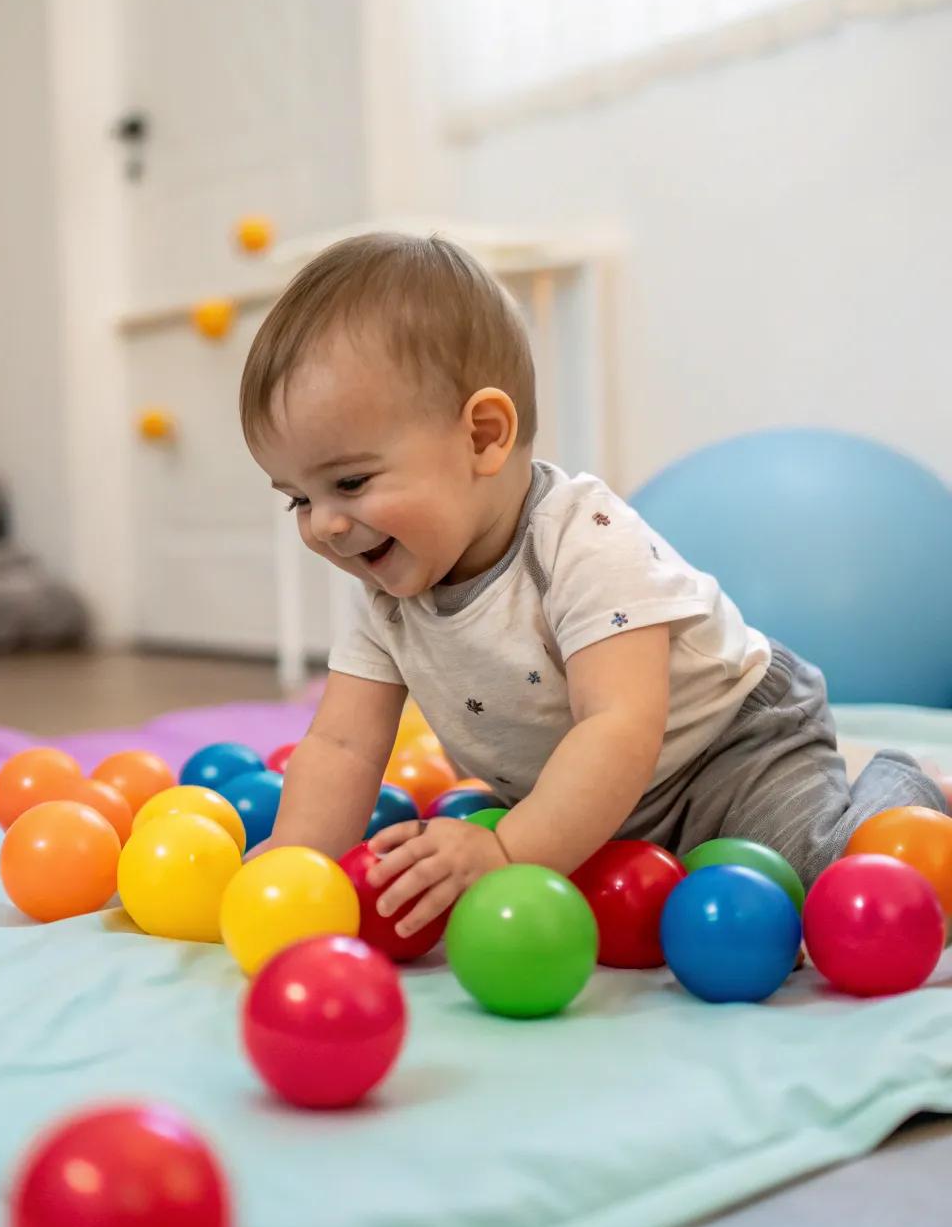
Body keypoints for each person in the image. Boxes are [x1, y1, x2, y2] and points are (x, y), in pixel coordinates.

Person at [239, 232, 946, 940]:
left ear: (484, 436)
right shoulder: (388, 597)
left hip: (730, 753)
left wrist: (508, 850)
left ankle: (902, 787)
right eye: (298, 499)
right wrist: (298, 861)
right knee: (639, 911)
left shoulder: (582, 543)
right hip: (586, 801)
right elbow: (342, 748)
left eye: (350, 483)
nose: (324, 526)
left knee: (817, 894)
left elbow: (618, 725)